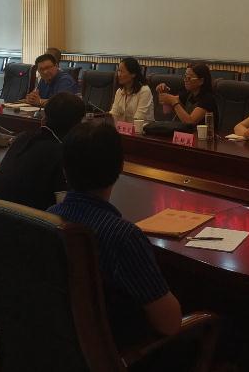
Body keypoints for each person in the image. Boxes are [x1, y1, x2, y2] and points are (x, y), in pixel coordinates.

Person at [48, 123, 182, 341]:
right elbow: (170, 324)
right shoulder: (122, 236)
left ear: (64, 169)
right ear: (120, 167)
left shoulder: (48, 217)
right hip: (123, 350)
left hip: (64, 342)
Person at [0, 93, 86, 210]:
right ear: (78, 126)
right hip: (28, 220)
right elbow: (65, 207)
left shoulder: (22, 139)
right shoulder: (62, 153)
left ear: (43, 119)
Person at [109, 57, 154, 123]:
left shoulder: (144, 91)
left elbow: (139, 119)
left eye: (122, 71)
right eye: (118, 71)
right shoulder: (119, 91)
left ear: (133, 74)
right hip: (124, 128)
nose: (119, 75)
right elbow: (114, 114)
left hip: (143, 128)